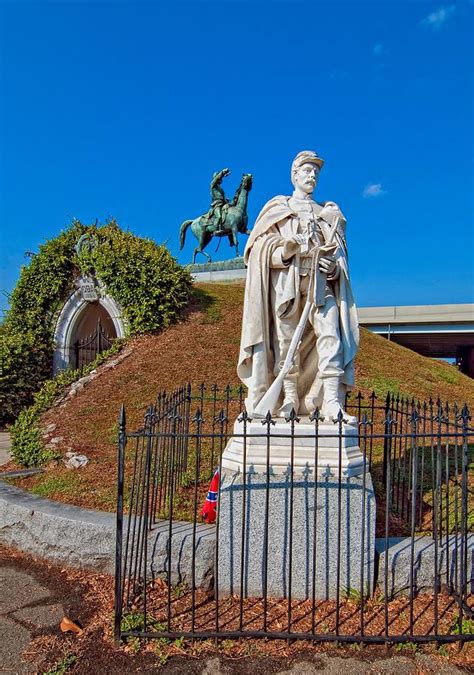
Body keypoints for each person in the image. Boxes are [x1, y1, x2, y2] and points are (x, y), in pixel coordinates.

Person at [237, 150, 359, 422]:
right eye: (307, 170)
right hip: (287, 285)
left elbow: (340, 257)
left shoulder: (328, 213)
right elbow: (256, 250)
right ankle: (289, 398)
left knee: (331, 337)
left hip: (320, 283)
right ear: (294, 174)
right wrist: (284, 252)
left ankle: (331, 402)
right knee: (285, 342)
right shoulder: (278, 208)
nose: (312, 175)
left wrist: (335, 269)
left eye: (316, 171)